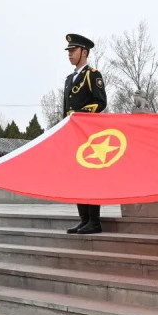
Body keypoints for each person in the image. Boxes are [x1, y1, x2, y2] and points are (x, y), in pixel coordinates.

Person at [62, 33, 107, 234]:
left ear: (84, 52)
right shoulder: (69, 79)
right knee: (77, 177)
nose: (70, 54)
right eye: (69, 51)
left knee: (90, 176)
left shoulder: (92, 75)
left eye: (74, 50)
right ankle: (83, 219)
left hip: (89, 134)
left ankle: (94, 221)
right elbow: (65, 110)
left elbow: (100, 102)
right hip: (73, 134)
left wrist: (79, 115)